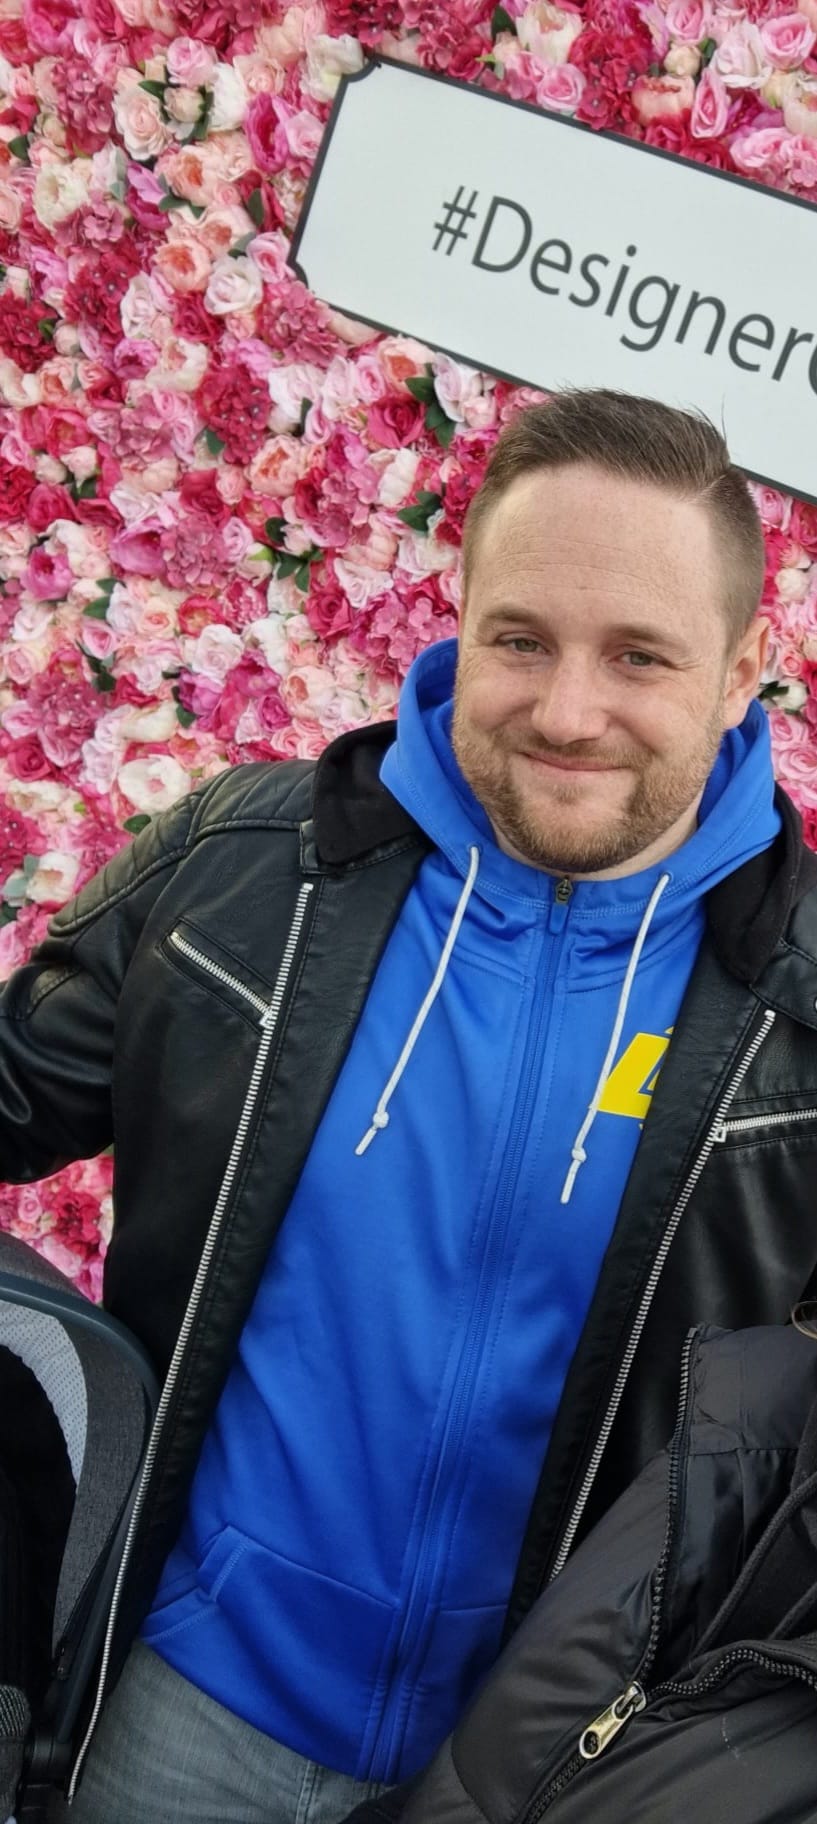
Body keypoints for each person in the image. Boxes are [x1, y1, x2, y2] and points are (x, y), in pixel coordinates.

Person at [3, 387, 817, 1824]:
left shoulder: (800, 1001)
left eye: (638, 655)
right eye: (521, 640)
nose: (566, 712)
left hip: (541, 1773)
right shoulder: (241, 872)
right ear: (461, 618)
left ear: (747, 662)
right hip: (179, 1711)